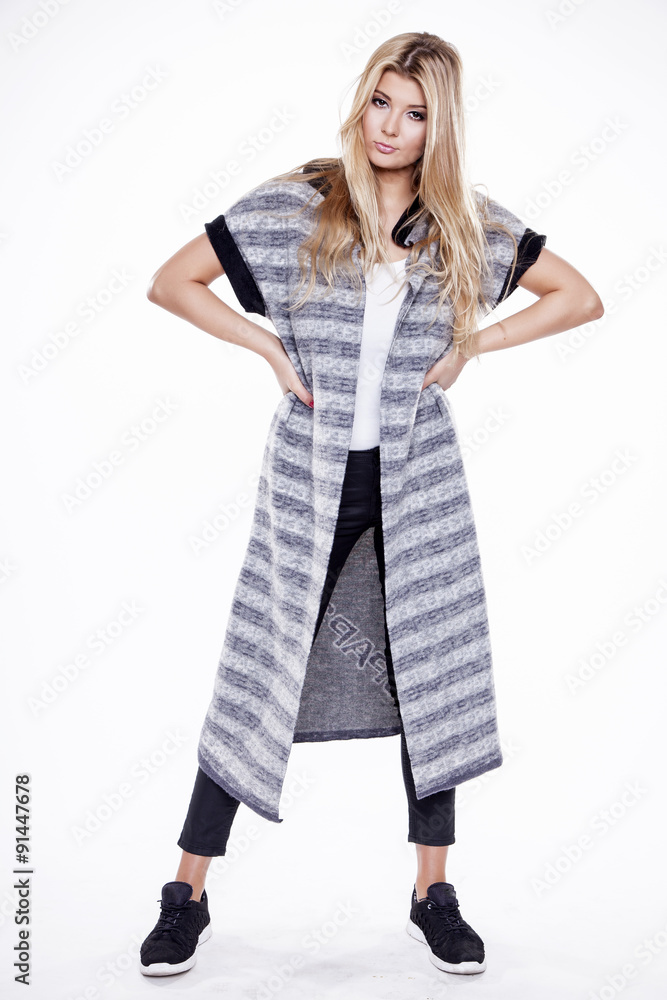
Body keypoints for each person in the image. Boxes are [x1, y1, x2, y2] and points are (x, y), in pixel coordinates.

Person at [138, 31, 603, 980]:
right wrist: (267, 347)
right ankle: (185, 894)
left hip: (417, 485)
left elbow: (579, 297)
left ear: (440, 125)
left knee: (433, 674)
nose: (390, 126)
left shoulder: (461, 225)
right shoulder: (301, 204)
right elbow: (171, 281)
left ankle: (433, 894)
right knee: (257, 670)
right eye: (381, 102)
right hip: (309, 484)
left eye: (415, 112)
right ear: (363, 101)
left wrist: (472, 345)